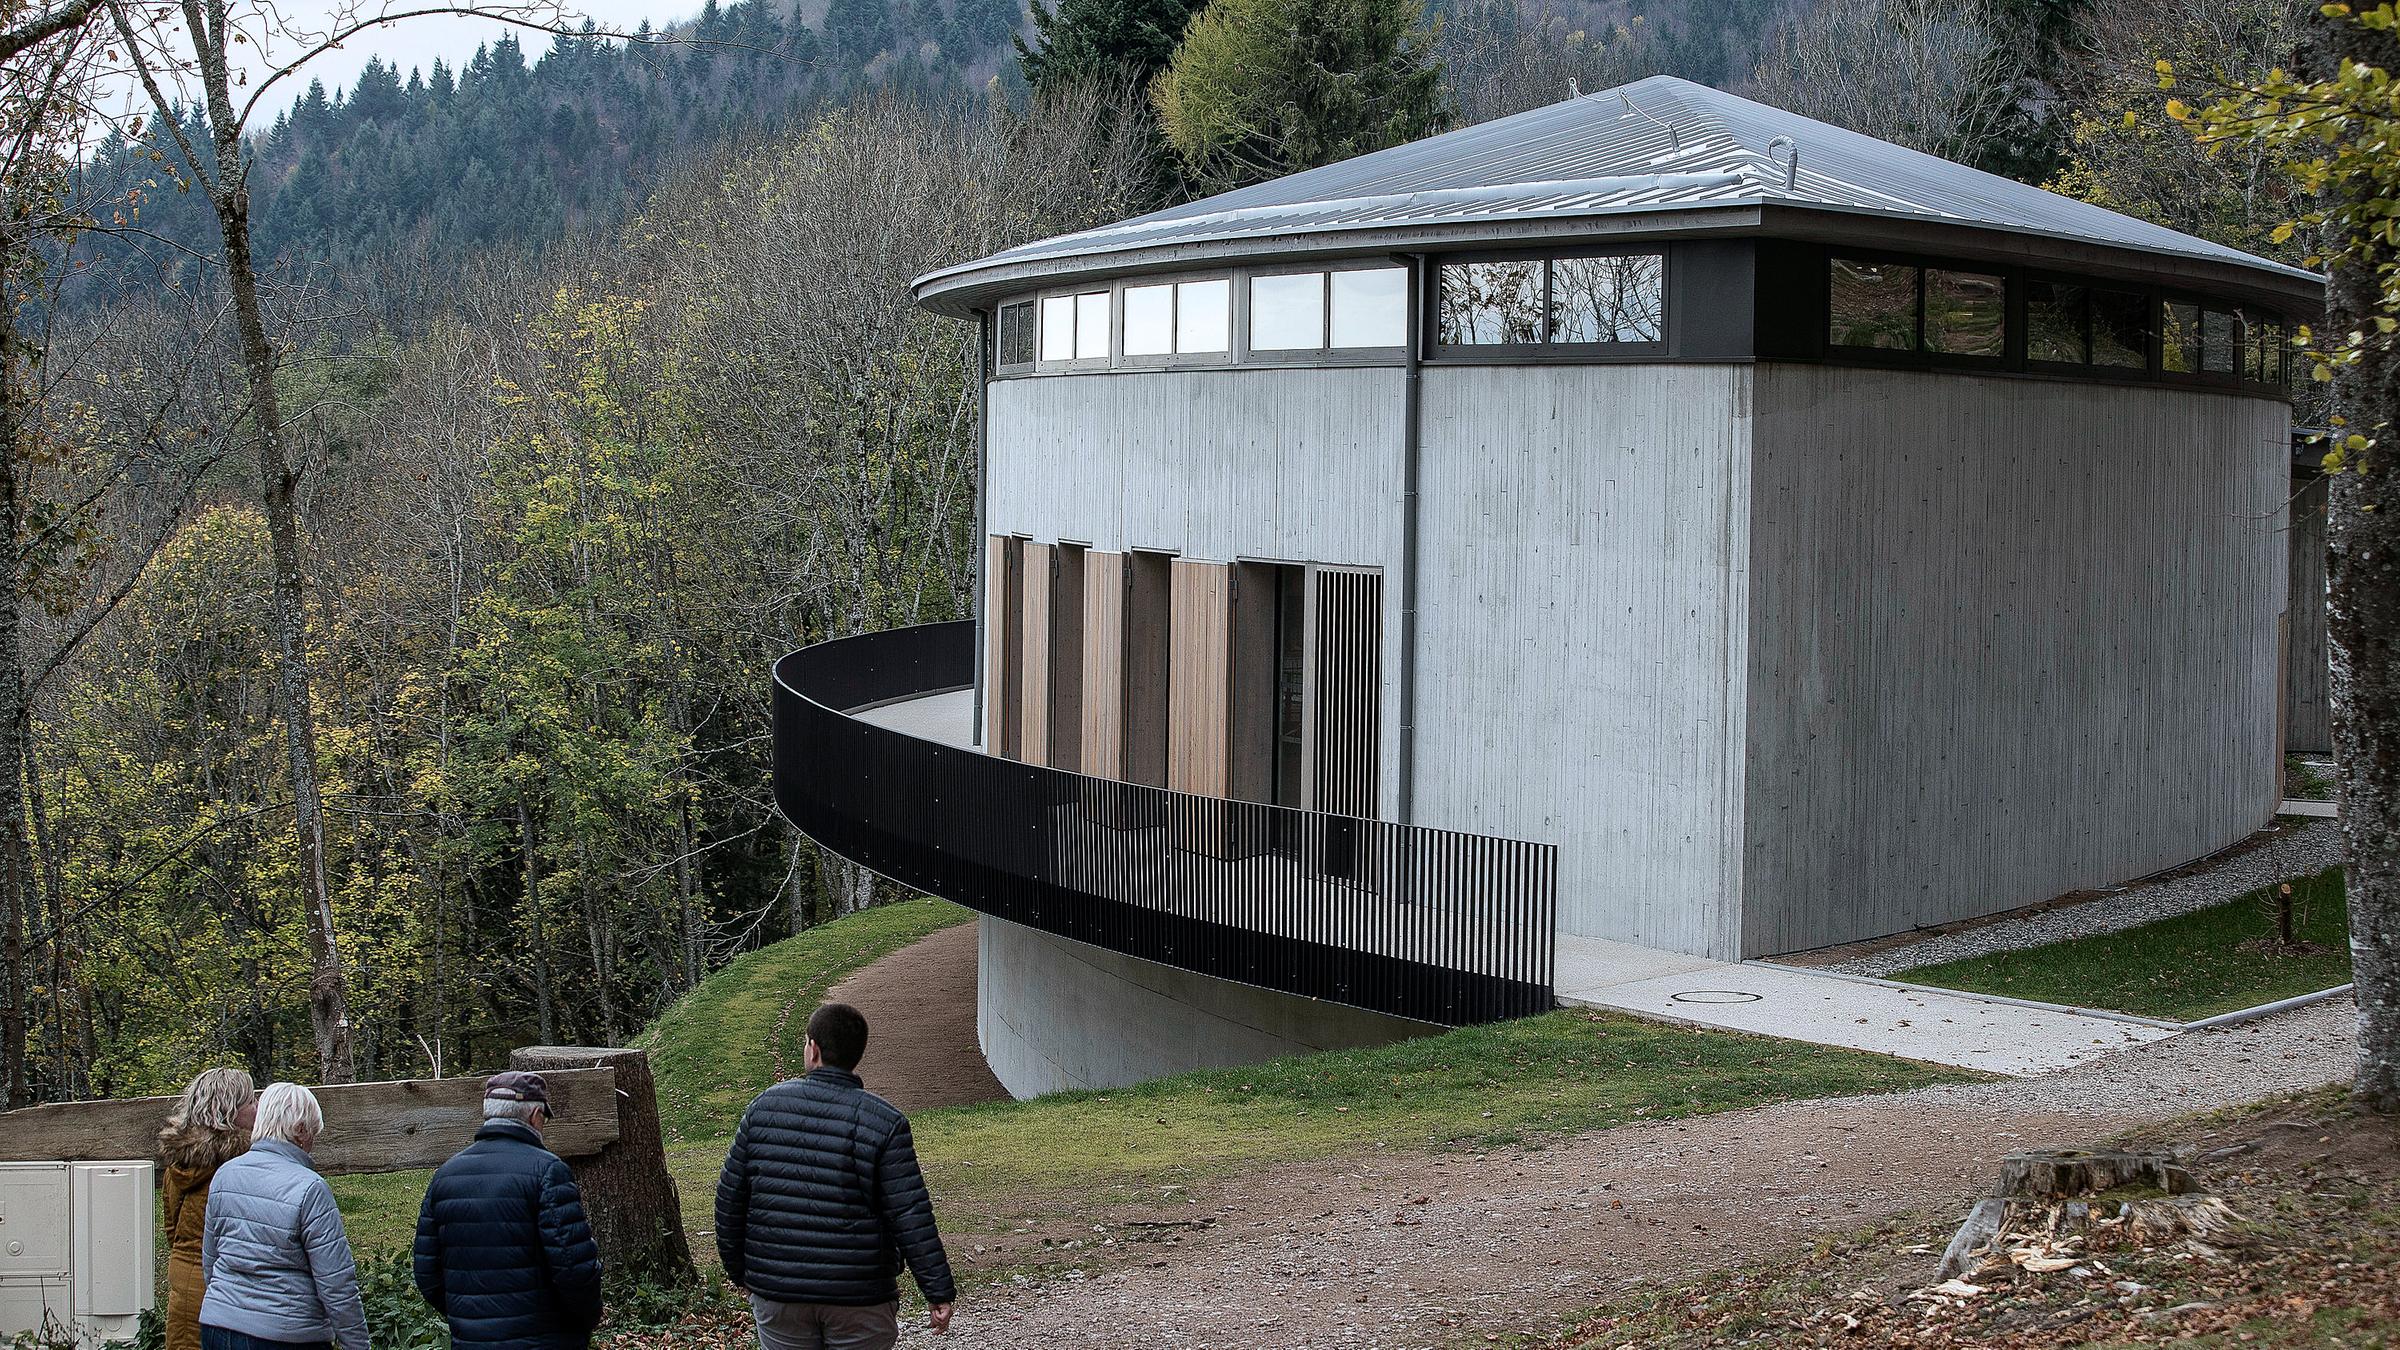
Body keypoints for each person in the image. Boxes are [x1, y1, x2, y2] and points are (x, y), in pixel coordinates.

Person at [716, 1003, 956, 1350]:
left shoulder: (764, 1108)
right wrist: (937, 1289)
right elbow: (909, 1213)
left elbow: (730, 1200)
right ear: (856, 1054)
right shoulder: (885, 1122)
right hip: (860, 1294)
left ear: (813, 1049)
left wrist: (741, 1273)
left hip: (780, 1292)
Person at [411, 1071, 604, 1349]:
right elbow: (573, 1267)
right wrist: (585, 1320)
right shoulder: (548, 1172)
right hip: (545, 1339)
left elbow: (427, 1273)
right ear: (535, 1115)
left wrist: (471, 1317)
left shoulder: (445, 1175)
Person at [197, 1081, 370, 1350]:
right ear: (300, 1131)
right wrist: (357, 1344)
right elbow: (336, 1282)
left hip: (219, 1326)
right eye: (313, 1132)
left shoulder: (225, 1174)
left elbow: (210, 1258)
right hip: (285, 1333)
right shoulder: (310, 1188)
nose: (312, 1142)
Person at [160, 1068, 259, 1350]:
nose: (257, 1107)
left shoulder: (180, 1161)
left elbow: (171, 1227)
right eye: (250, 1101)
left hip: (184, 1279)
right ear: (228, 1112)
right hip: (226, 1286)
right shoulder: (240, 1166)